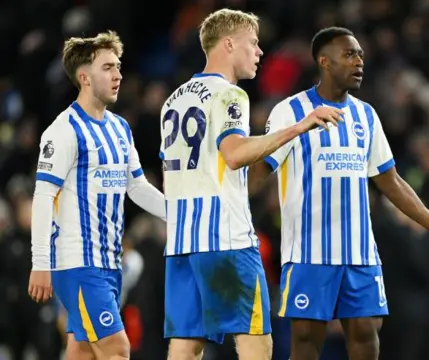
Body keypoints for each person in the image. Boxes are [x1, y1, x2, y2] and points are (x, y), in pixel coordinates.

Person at [249, 26, 429, 360]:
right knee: (304, 342)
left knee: (366, 334)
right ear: (325, 62)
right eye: (349, 54)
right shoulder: (290, 111)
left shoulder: (366, 115)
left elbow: (391, 182)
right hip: (308, 252)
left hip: (359, 253)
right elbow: (258, 171)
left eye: (360, 54)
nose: (359, 60)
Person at [159, 9, 342, 360]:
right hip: (225, 238)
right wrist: (300, 127)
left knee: (185, 346)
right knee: (256, 342)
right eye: (253, 44)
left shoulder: (174, 101)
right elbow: (235, 153)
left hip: (182, 242)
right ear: (229, 44)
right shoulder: (230, 95)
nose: (259, 52)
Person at [27, 31, 166, 360]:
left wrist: (179, 212)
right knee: (117, 349)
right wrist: (40, 263)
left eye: (118, 66)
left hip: (109, 263)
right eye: (108, 68)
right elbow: (43, 196)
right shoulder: (63, 131)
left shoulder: (119, 128)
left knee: (83, 352)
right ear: (84, 77)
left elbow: (137, 187)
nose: (118, 74)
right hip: (77, 264)